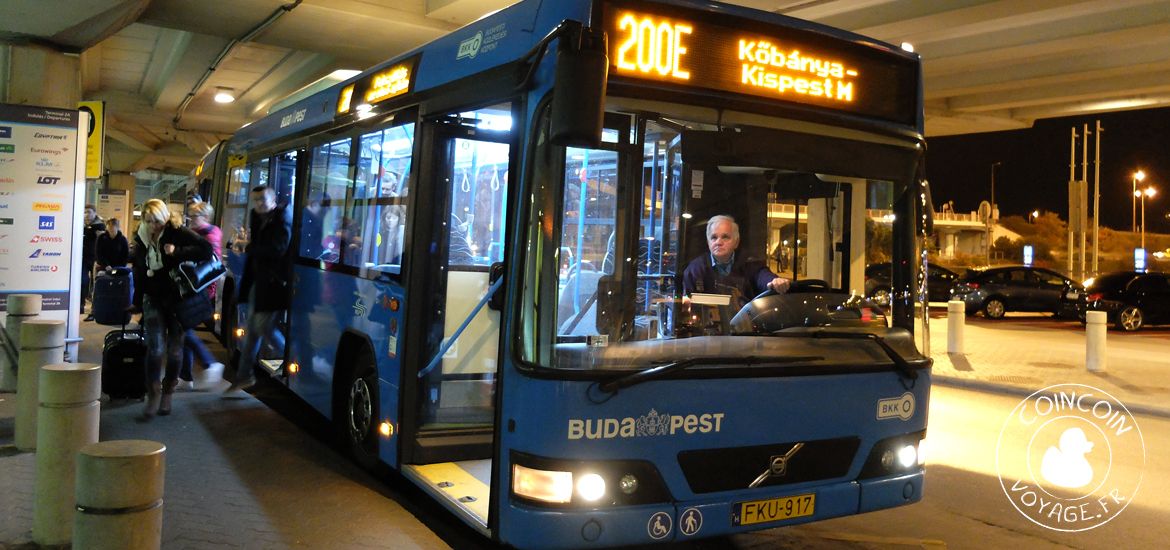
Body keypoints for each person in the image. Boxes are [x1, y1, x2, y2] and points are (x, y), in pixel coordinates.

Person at [129, 200, 214, 418]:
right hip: (153, 297)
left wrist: (177, 252)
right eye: (148, 222)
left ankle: (168, 392)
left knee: (175, 349)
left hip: (177, 298)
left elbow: (206, 250)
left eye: (157, 221)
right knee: (155, 348)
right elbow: (139, 271)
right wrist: (137, 301)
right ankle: (153, 394)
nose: (153, 226)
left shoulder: (177, 231)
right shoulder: (141, 237)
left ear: (165, 217)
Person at [226, 185, 292, 393]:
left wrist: (248, 247)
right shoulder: (259, 218)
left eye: (263, 199)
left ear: (273, 199)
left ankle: (292, 359)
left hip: (273, 285)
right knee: (252, 331)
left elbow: (278, 250)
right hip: (259, 283)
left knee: (262, 327)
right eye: (255, 200)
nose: (259, 203)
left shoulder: (281, 219)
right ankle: (243, 376)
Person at [682, 215, 790, 309]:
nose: (718, 242)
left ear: (736, 242)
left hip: (744, 325)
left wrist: (775, 281)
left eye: (725, 237)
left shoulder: (749, 262)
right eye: (714, 237)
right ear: (708, 242)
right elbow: (686, 299)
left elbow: (763, 276)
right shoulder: (695, 269)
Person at [178, 202, 225, 389]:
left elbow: (207, 264)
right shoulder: (202, 233)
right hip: (195, 287)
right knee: (184, 329)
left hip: (199, 289)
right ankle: (186, 377)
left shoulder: (208, 236)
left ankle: (209, 363)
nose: (190, 219)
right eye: (188, 215)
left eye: (194, 216)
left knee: (184, 329)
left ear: (205, 217)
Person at [81, 204, 105, 320]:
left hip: (95, 258)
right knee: (82, 282)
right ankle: (81, 305)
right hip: (82, 258)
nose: (87, 215)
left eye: (89, 212)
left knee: (95, 284)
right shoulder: (80, 224)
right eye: (85, 212)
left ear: (94, 213)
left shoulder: (100, 225)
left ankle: (94, 310)